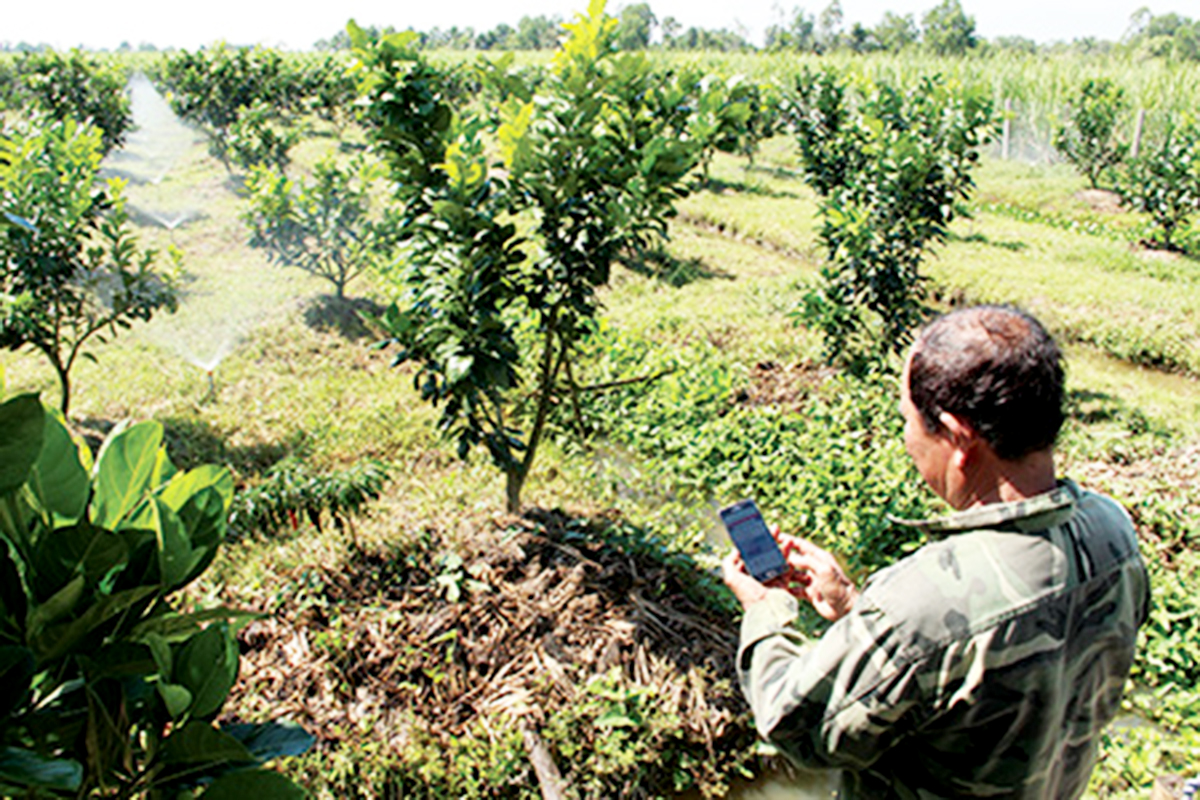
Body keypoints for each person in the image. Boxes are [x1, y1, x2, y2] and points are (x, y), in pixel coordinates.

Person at [721, 305, 1149, 799]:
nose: (907, 439)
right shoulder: (1113, 531)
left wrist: (766, 608)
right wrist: (854, 612)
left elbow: (795, 723)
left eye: (908, 420)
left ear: (957, 436)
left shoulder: (926, 600)